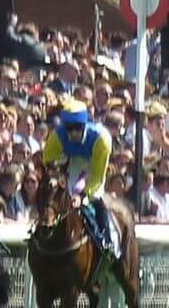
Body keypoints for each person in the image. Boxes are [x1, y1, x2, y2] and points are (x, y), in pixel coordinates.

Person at [41, 98, 117, 258]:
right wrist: (57, 175)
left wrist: (81, 196)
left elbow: (96, 177)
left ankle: (105, 241)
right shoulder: (57, 137)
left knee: (95, 198)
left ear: (84, 124)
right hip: (71, 160)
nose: (73, 133)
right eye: (69, 128)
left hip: (94, 162)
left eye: (77, 128)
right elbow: (47, 161)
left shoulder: (101, 138)